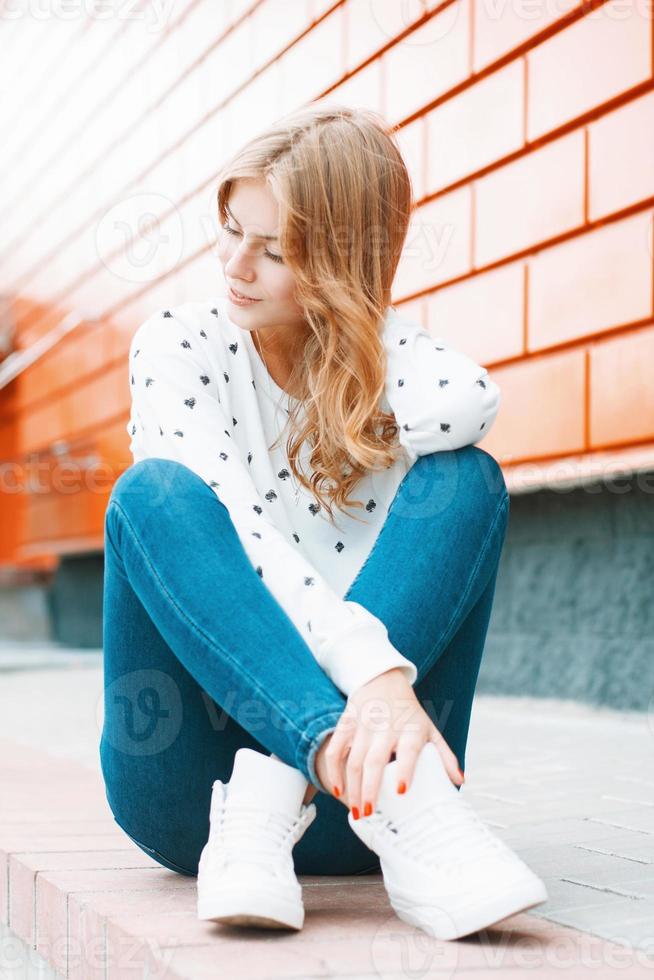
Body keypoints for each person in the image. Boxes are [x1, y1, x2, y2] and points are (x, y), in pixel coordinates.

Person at [100, 103, 547, 940]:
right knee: (154, 494)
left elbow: (469, 401)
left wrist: (357, 334)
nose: (235, 265)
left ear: (340, 264)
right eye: (230, 230)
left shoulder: (391, 370)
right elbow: (242, 530)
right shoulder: (179, 344)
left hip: (364, 808)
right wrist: (374, 674)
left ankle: (294, 784)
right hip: (194, 803)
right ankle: (315, 774)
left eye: (275, 251)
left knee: (468, 481)